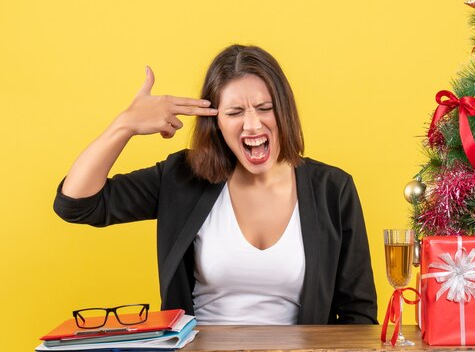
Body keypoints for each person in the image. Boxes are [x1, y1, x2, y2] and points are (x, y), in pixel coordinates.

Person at [54, 44, 378, 325]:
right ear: (216, 123)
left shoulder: (333, 189)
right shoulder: (182, 177)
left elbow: (359, 314)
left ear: (285, 110)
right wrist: (124, 125)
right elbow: (77, 203)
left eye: (265, 108)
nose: (252, 124)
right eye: (235, 112)